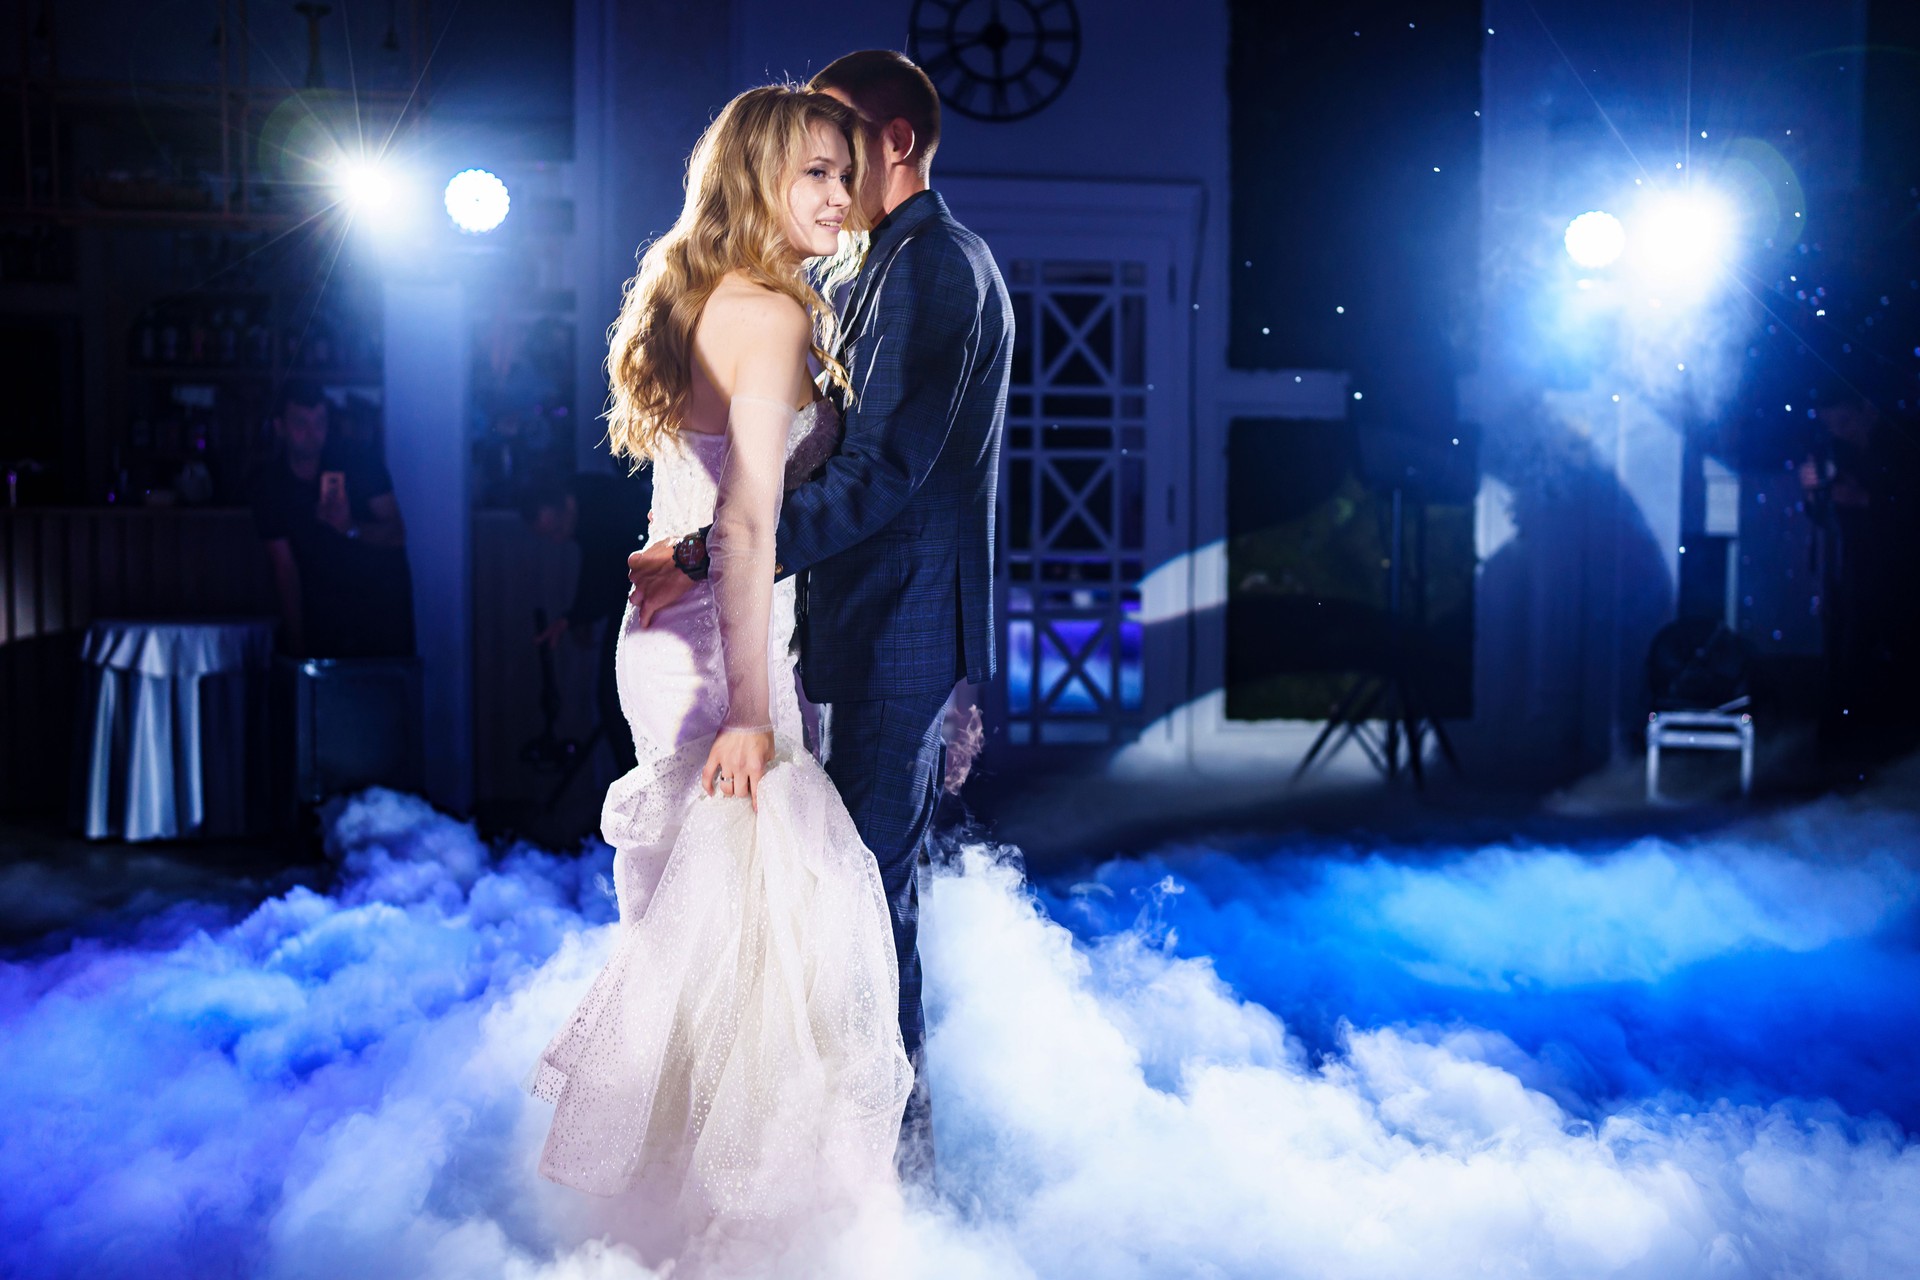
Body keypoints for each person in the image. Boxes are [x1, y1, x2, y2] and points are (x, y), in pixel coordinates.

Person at [528, 85, 916, 1240]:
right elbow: (747, 523)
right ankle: (734, 1241)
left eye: (846, 172)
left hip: (681, 630)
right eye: (815, 173)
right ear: (754, 178)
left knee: (716, 951)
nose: (841, 195)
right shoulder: (771, 312)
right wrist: (752, 709)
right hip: (718, 656)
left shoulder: (714, 292)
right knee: (767, 964)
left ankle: (669, 1232)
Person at [624, 49, 1014, 1182]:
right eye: (810, 161)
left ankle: (887, 1180)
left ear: (895, 141)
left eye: (841, 150)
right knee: (834, 911)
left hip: (895, 631)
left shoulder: (935, 265)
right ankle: (856, 1166)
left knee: (860, 914)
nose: (830, 175)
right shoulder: (872, 268)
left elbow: (884, 475)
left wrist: (703, 554)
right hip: (856, 626)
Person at [248, 381, 414, 658]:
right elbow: (285, 569)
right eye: (301, 423)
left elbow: (397, 532)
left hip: (379, 608)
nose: (312, 433)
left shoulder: (358, 461)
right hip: (322, 615)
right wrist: (297, 645)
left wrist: (350, 528)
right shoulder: (269, 485)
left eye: (320, 422)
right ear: (280, 427)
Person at [517, 470, 654, 773]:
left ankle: (636, 777)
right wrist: (575, 617)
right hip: (634, 597)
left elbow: (605, 569)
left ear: (567, 505)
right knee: (612, 696)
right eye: (549, 536)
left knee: (614, 696)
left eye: (557, 530)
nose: (557, 540)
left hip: (654, 596)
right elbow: (596, 567)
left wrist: (574, 617)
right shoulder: (583, 507)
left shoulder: (607, 507)